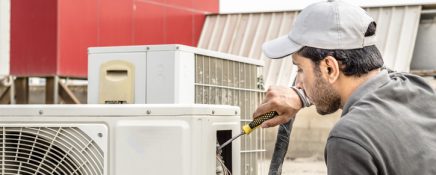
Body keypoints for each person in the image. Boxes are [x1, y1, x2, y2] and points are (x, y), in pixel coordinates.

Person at [253, 0, 436, 174]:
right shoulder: (418, 87)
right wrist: (303, 96)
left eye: (300, 69)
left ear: (330, 68)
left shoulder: (348, 138)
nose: (298, 83)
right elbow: (376, 72)